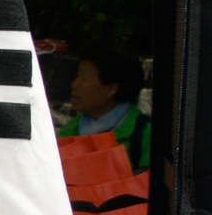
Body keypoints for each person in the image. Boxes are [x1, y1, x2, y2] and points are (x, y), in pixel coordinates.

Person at [59, 39, 150, 171]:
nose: (74, 85)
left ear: (111, 89)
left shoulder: (145, 137)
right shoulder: (69, 132)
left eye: (83, 78)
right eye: (76, 77)